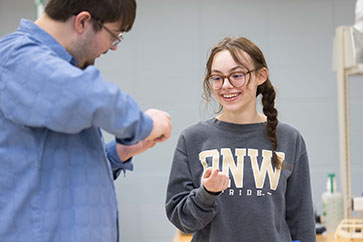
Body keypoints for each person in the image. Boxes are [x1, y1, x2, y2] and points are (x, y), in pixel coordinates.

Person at [0, 0, 172, 242]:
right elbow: (88, 96)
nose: (113, 47)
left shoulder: (55, 74)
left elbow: (56, 171)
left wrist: (118, 152)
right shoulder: (14, 57)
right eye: (114, 36)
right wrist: (145, 124)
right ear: (83, 22)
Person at [165, 37, 315, 242]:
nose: (226, 85)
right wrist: (207, 193)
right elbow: (181, 220)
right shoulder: (192, 139)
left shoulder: (290, 139)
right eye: (217, 78)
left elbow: (302, 222)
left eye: (236, 75)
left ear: (261, 76)